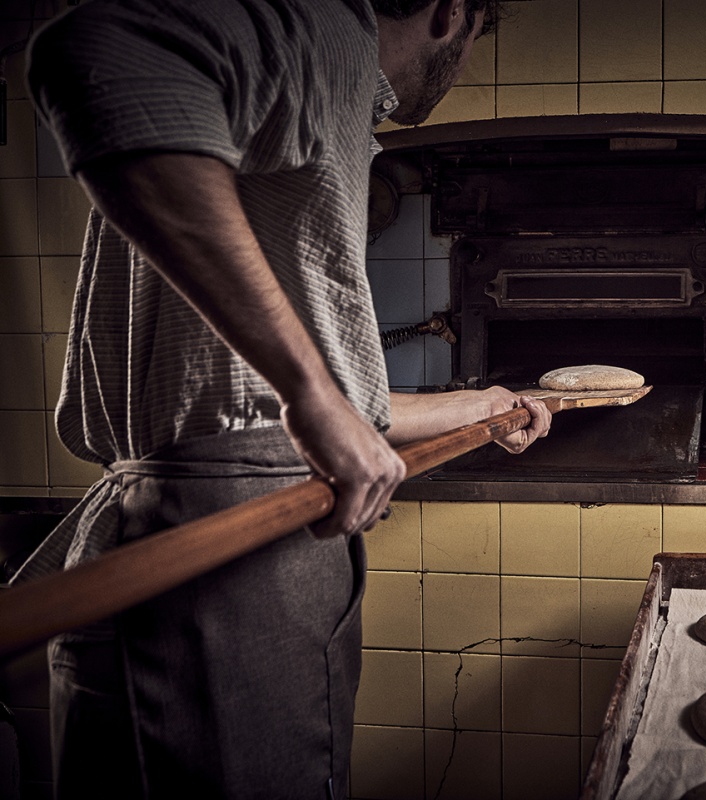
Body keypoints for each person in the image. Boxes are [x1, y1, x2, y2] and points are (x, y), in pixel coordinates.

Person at [16, 0, 548, 796]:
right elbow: (101, 50)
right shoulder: (327, 32)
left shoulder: (294, 98)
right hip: (229, 548)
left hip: (203, 515)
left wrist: (477, 404)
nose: (466, 65)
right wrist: (314, 397)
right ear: (452, 14)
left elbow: (265, 410)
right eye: (478, 41)